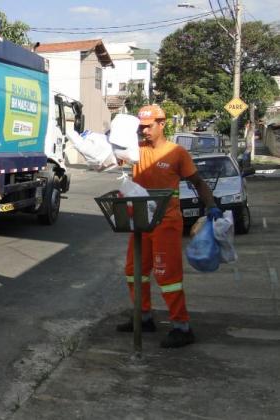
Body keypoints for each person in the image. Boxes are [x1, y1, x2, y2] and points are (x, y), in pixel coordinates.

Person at [117, 104, 221, 348]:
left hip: (167, 221)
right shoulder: (136, 151)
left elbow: (197, 181)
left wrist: (211, 205)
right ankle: (143, 317)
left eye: (148, 126)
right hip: (141, 220)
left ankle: (182, 327)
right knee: (134, 271)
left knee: (168, 275)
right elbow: (110, 158)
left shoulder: (176, 153)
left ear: (162, 124)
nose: (144, 131)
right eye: (141, 127)